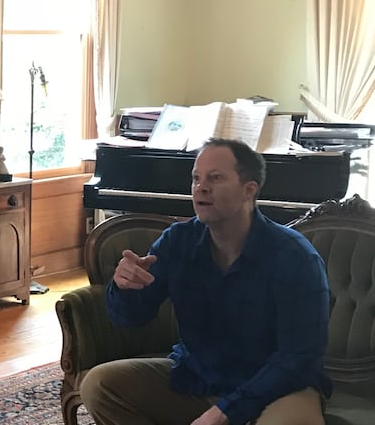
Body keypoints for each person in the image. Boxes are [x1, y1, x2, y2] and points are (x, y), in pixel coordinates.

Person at [80, 138, 331, 425]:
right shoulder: (178, 242)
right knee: (99, 385)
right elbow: (131, 318)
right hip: (199, 379)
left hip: (276, 387)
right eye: (196, 178)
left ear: (249, 190)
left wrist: (226, 412)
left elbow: (297, 359)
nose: (201, 187)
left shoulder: (296, 257)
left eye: (216, 178)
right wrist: (123, 288)